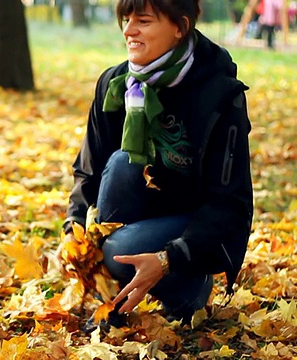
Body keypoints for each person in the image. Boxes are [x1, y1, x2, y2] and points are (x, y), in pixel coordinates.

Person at [61, 0, 253, 332]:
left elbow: (230, 205)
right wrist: (72, 229)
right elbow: (89, 170)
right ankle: (116, 301)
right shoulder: (116, 85)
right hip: (137, 212)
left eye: (144, 21)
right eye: (126, 19)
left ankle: (188, 291)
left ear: (179, 27)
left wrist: (171, 258)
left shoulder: (219, 94)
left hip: (189, 227)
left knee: (119, 249)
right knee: (122, 163)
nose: (129, 30)